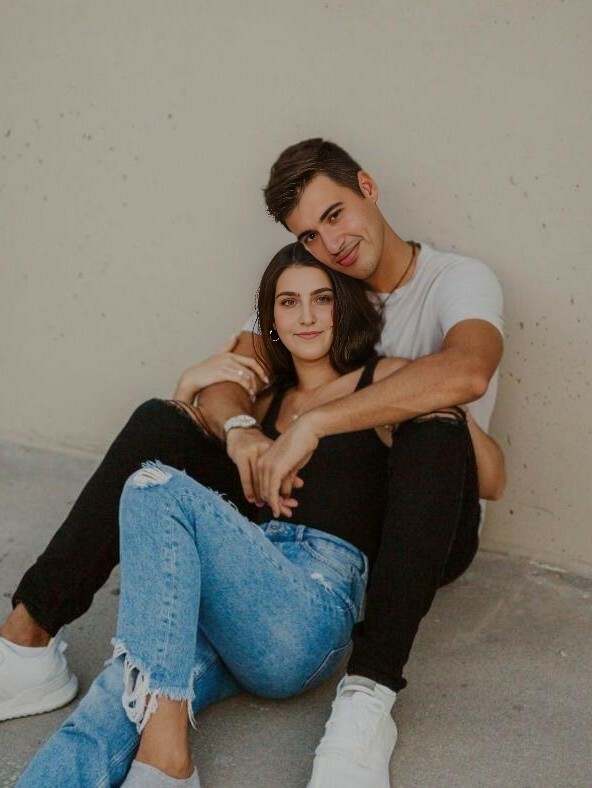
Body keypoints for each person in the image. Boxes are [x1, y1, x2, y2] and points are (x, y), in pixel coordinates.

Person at [1, 137, 504, 786]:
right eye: (310, 235)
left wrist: (318, 422)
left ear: (367, 188)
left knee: (433, 424)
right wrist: (240, 431)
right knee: (162, 429)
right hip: (282, 535)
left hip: (414, 519)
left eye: (335, 215)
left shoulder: (453, 281)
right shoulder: (311, 281)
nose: (331, 243)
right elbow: (229, 376)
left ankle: (367, 698)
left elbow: (467, 378)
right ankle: (28, 644)